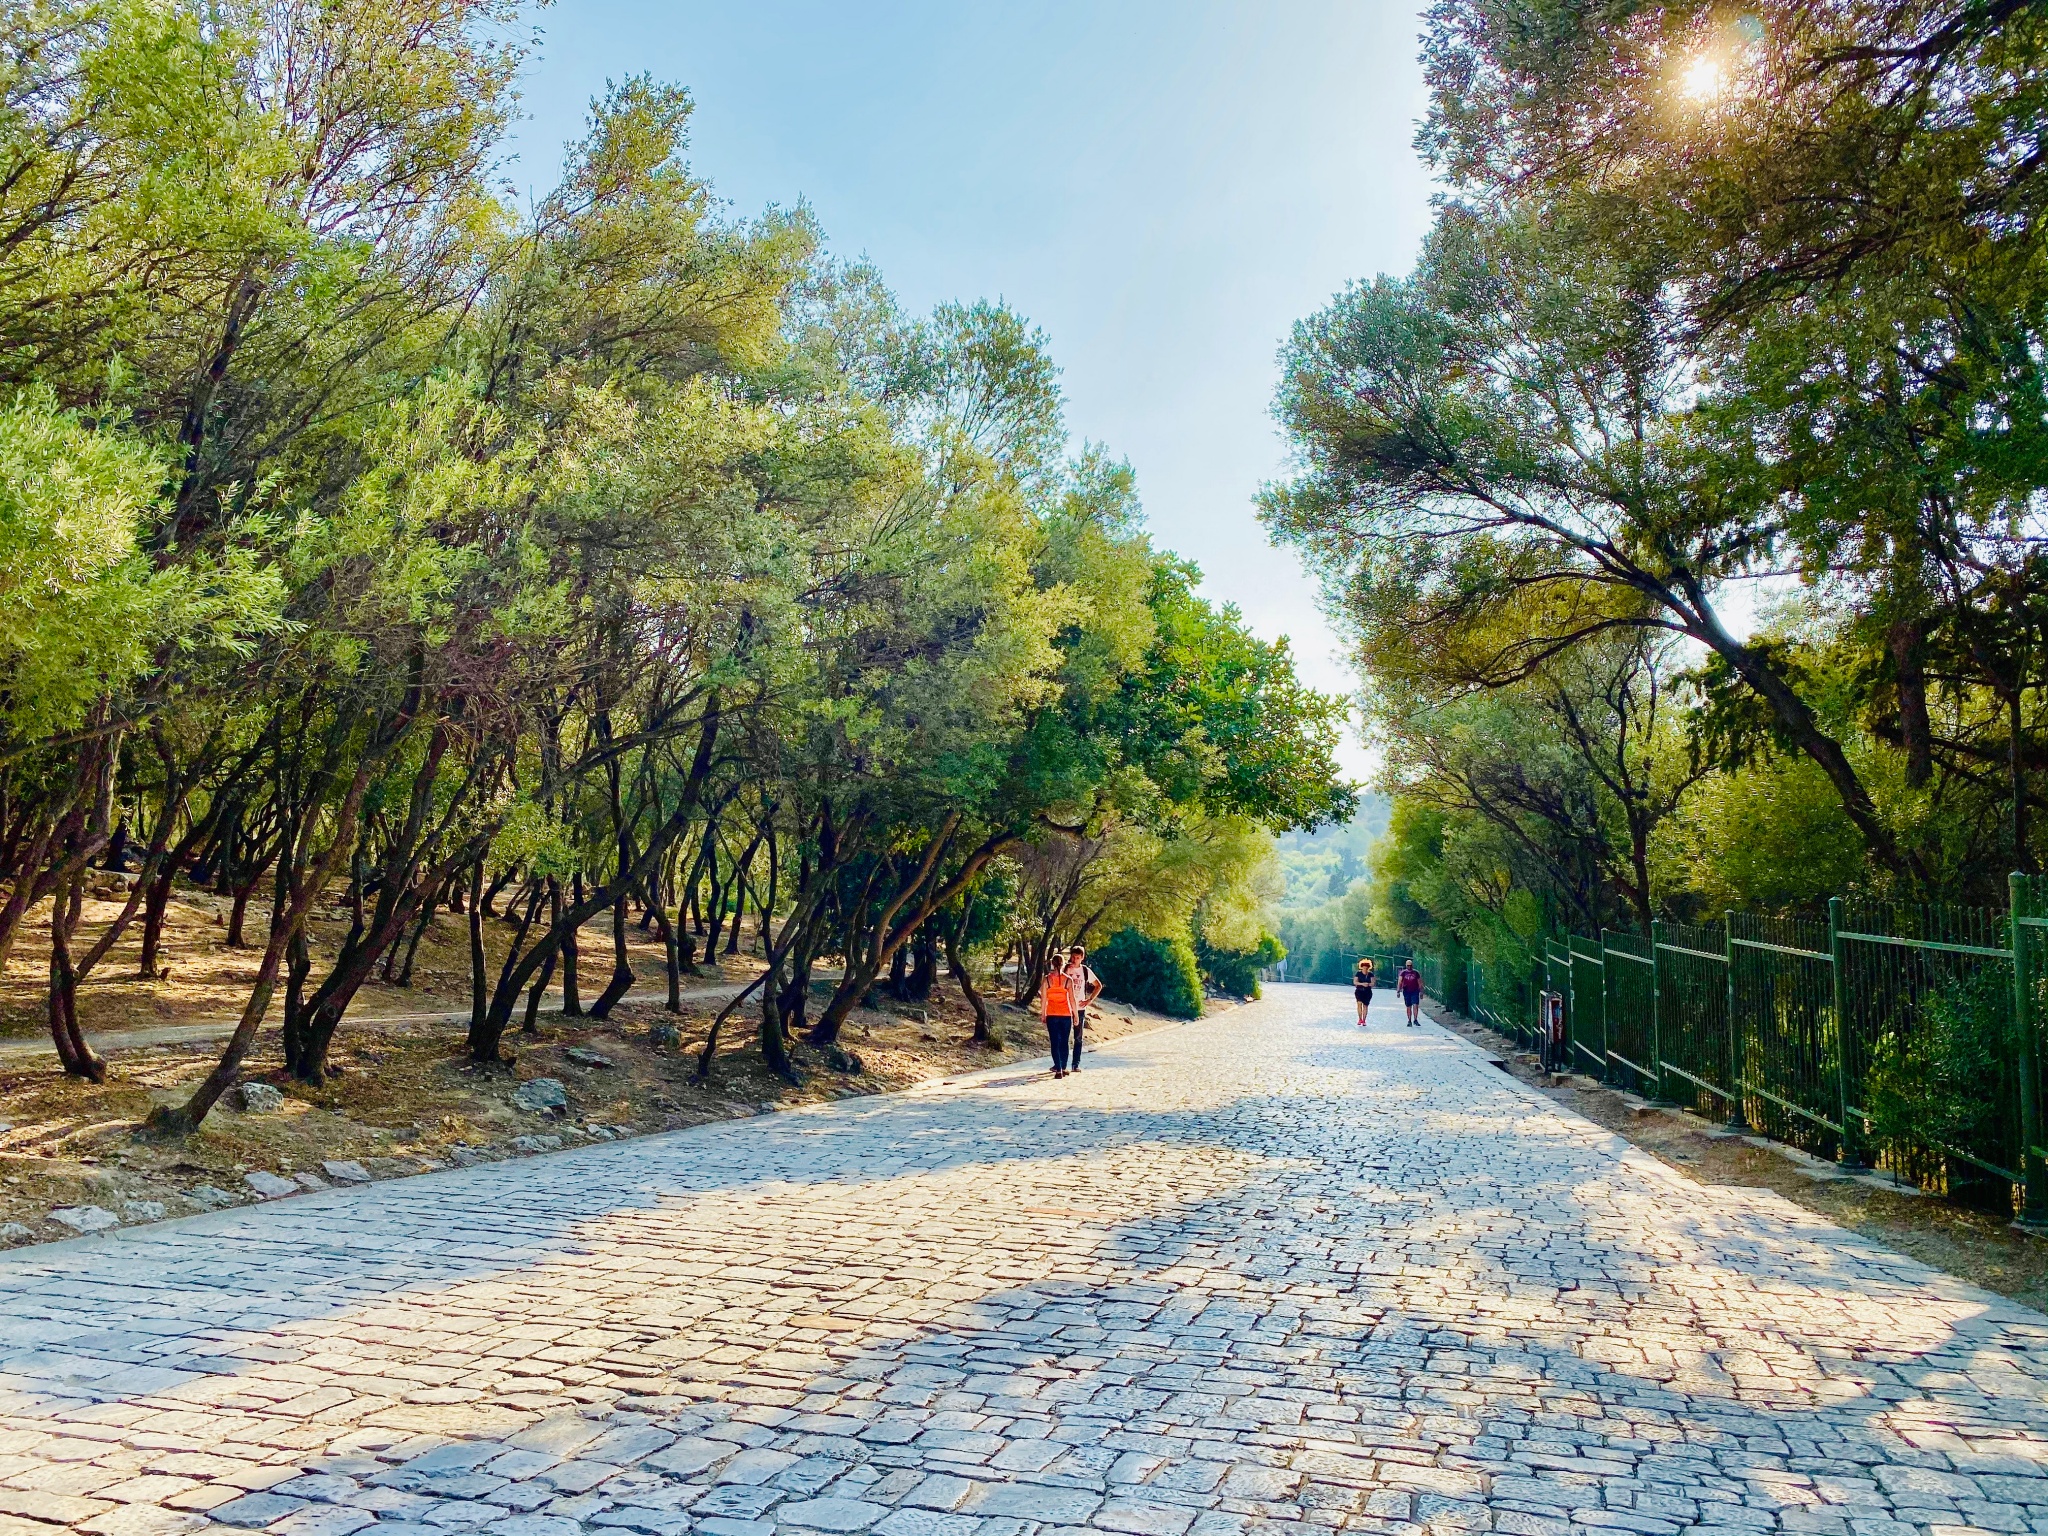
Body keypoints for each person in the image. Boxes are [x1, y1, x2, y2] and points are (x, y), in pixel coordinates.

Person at [1062, 945, 1103, 1070]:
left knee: (1078, 1037)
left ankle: (1075, 1064)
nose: (1074, 960)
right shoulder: (1066, 969)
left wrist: (1089, 1000)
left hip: (1079, 1008)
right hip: (1066, 1007)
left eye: (1077, 958)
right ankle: (1062, 1065)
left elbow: (1098, 985)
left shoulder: (1085, 971)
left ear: (1082, 958)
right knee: (1064, 1036)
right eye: (1073, 957)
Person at [1042, 961, 1077, 1078]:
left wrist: (1043, 1014)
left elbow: (1043, 999)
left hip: (1052, 1014)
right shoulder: (1068, 980)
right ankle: (1063, 1066)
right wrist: (1076, 1014)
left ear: (1052, 964)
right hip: (1065, 1014)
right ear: (1062, 964)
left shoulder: (1046, 980)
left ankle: (1058, 1069)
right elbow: (1072, 999)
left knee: (1054, 1042)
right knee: (1064, 1042)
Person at [1397, 961, 1423, 1027]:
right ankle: (1409, 1020)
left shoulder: (1416, 973)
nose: (1409, 967)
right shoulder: (1403, 973)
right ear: (1406, 965)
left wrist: (1421, 991)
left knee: (1415, 1004)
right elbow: (1400, 982)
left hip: (1415, 991)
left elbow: (1419, 982)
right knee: (1408, 1006)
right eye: (1408, 965)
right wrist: (1398, 991)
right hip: (1406, 991)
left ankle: (1415, 1019)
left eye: (1410, 965)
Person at [1352, 958, 1375, 1026]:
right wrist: (1362, 984)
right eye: (1364, 967)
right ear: (1361, 967)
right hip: (1359, 991)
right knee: (1359, 1004)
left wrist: (1368, 984)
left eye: (1366, 968)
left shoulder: (1370, 974)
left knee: (1365, 1006)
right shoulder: (1358, 973)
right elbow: (1355, 982)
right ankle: (1360, 1019)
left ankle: (1364, 1020)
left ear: (1368, 968)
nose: (1365, 969)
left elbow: (1373, 983)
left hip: (1367, 992)